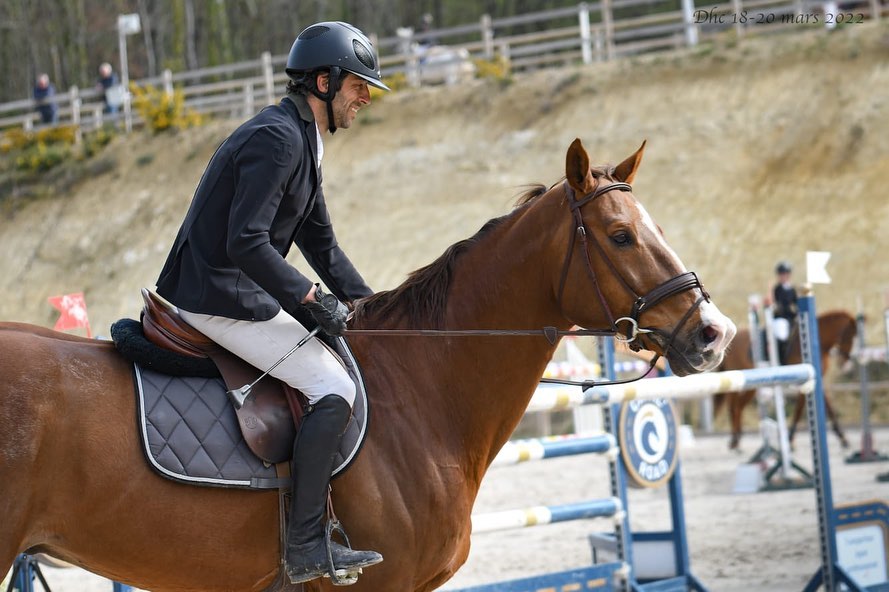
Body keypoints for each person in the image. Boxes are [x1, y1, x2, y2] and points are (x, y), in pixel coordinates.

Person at [155, 21, 388, 584]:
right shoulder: (277, 138)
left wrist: (370, 308)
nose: (363, 99)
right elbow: (246, 241)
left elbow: (321, 244)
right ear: (325, 82)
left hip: (240, 287)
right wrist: (309, 297)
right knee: (334, 386)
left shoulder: (304, 140)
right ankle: (306, 544)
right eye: (358, 87)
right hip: (214, 293)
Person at [771, 260, 798, 364]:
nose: (783, 276)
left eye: (785, 274)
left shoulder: (792, 289)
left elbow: (796, 302)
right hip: (781, 318)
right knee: (782, 335)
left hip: (791, 318)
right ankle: (782, 360)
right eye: (781, 274)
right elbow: (779, 305)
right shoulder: (777, 289)